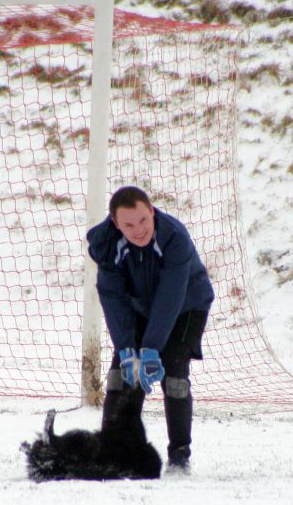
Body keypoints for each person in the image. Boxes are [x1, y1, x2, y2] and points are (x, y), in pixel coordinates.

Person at [86, 185, 214, 472]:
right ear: (116, 225)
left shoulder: (174, 237)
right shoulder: (107, 245)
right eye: (128, 224)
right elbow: (114, 299)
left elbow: (171, 295)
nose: (139, 229)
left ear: (152, 212)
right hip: (139, 308)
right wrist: (128, 350)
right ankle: (111, 452)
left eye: (144, 220)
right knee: (122, 376)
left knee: (174, 373)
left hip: (186, 306)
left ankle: (179, 457)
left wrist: (152, 348)